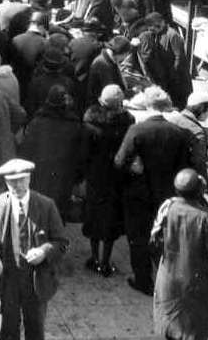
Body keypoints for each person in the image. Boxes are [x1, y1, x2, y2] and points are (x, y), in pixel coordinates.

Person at [114, 88, 196, 295]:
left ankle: (143, 280)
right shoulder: (178, 133)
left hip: (138, 194)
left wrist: (133, 168)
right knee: (163, 238)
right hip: (167, 195)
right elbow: (185, 167)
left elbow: (119, 162)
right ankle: (164, 280)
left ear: (146, 106)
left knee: (138, 237)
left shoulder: (137, 130)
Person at [0, 159, 68, 340]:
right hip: (8, 281)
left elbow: (62, 242)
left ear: (30, 178)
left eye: (22, 180)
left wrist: (45, 251)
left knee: (36, 329)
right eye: (12, 181)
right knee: (7, 330)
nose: (17, 185)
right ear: (6, 182)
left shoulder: (46, 205)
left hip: (36, 281)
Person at [152, 169, 208, 340]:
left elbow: (154, 241)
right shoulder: (204, 217)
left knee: (168, 322)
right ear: (199, 192)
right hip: (195, 282)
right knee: (193, 328)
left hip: (168, 277)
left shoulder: (167, 207)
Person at [83, 85, 134, 277]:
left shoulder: (90, 119)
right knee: (111, 218)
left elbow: (85, 151)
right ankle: (105, 260)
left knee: (94, 214)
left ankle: (94, 257)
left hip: (96, 175)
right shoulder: (128, 121)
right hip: (116, 176)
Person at [19, 86, 87, 215]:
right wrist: (78, 176)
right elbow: (80, 155)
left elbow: (25, 150)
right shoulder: (74, 125)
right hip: (63, 177)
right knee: (57, 213)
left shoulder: (36, 122)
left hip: (39, 176)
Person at [166, 92, 208, 174]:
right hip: (184, 175)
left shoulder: (171, 119)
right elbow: (198, 164)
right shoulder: (198, 132)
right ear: (201, 108)